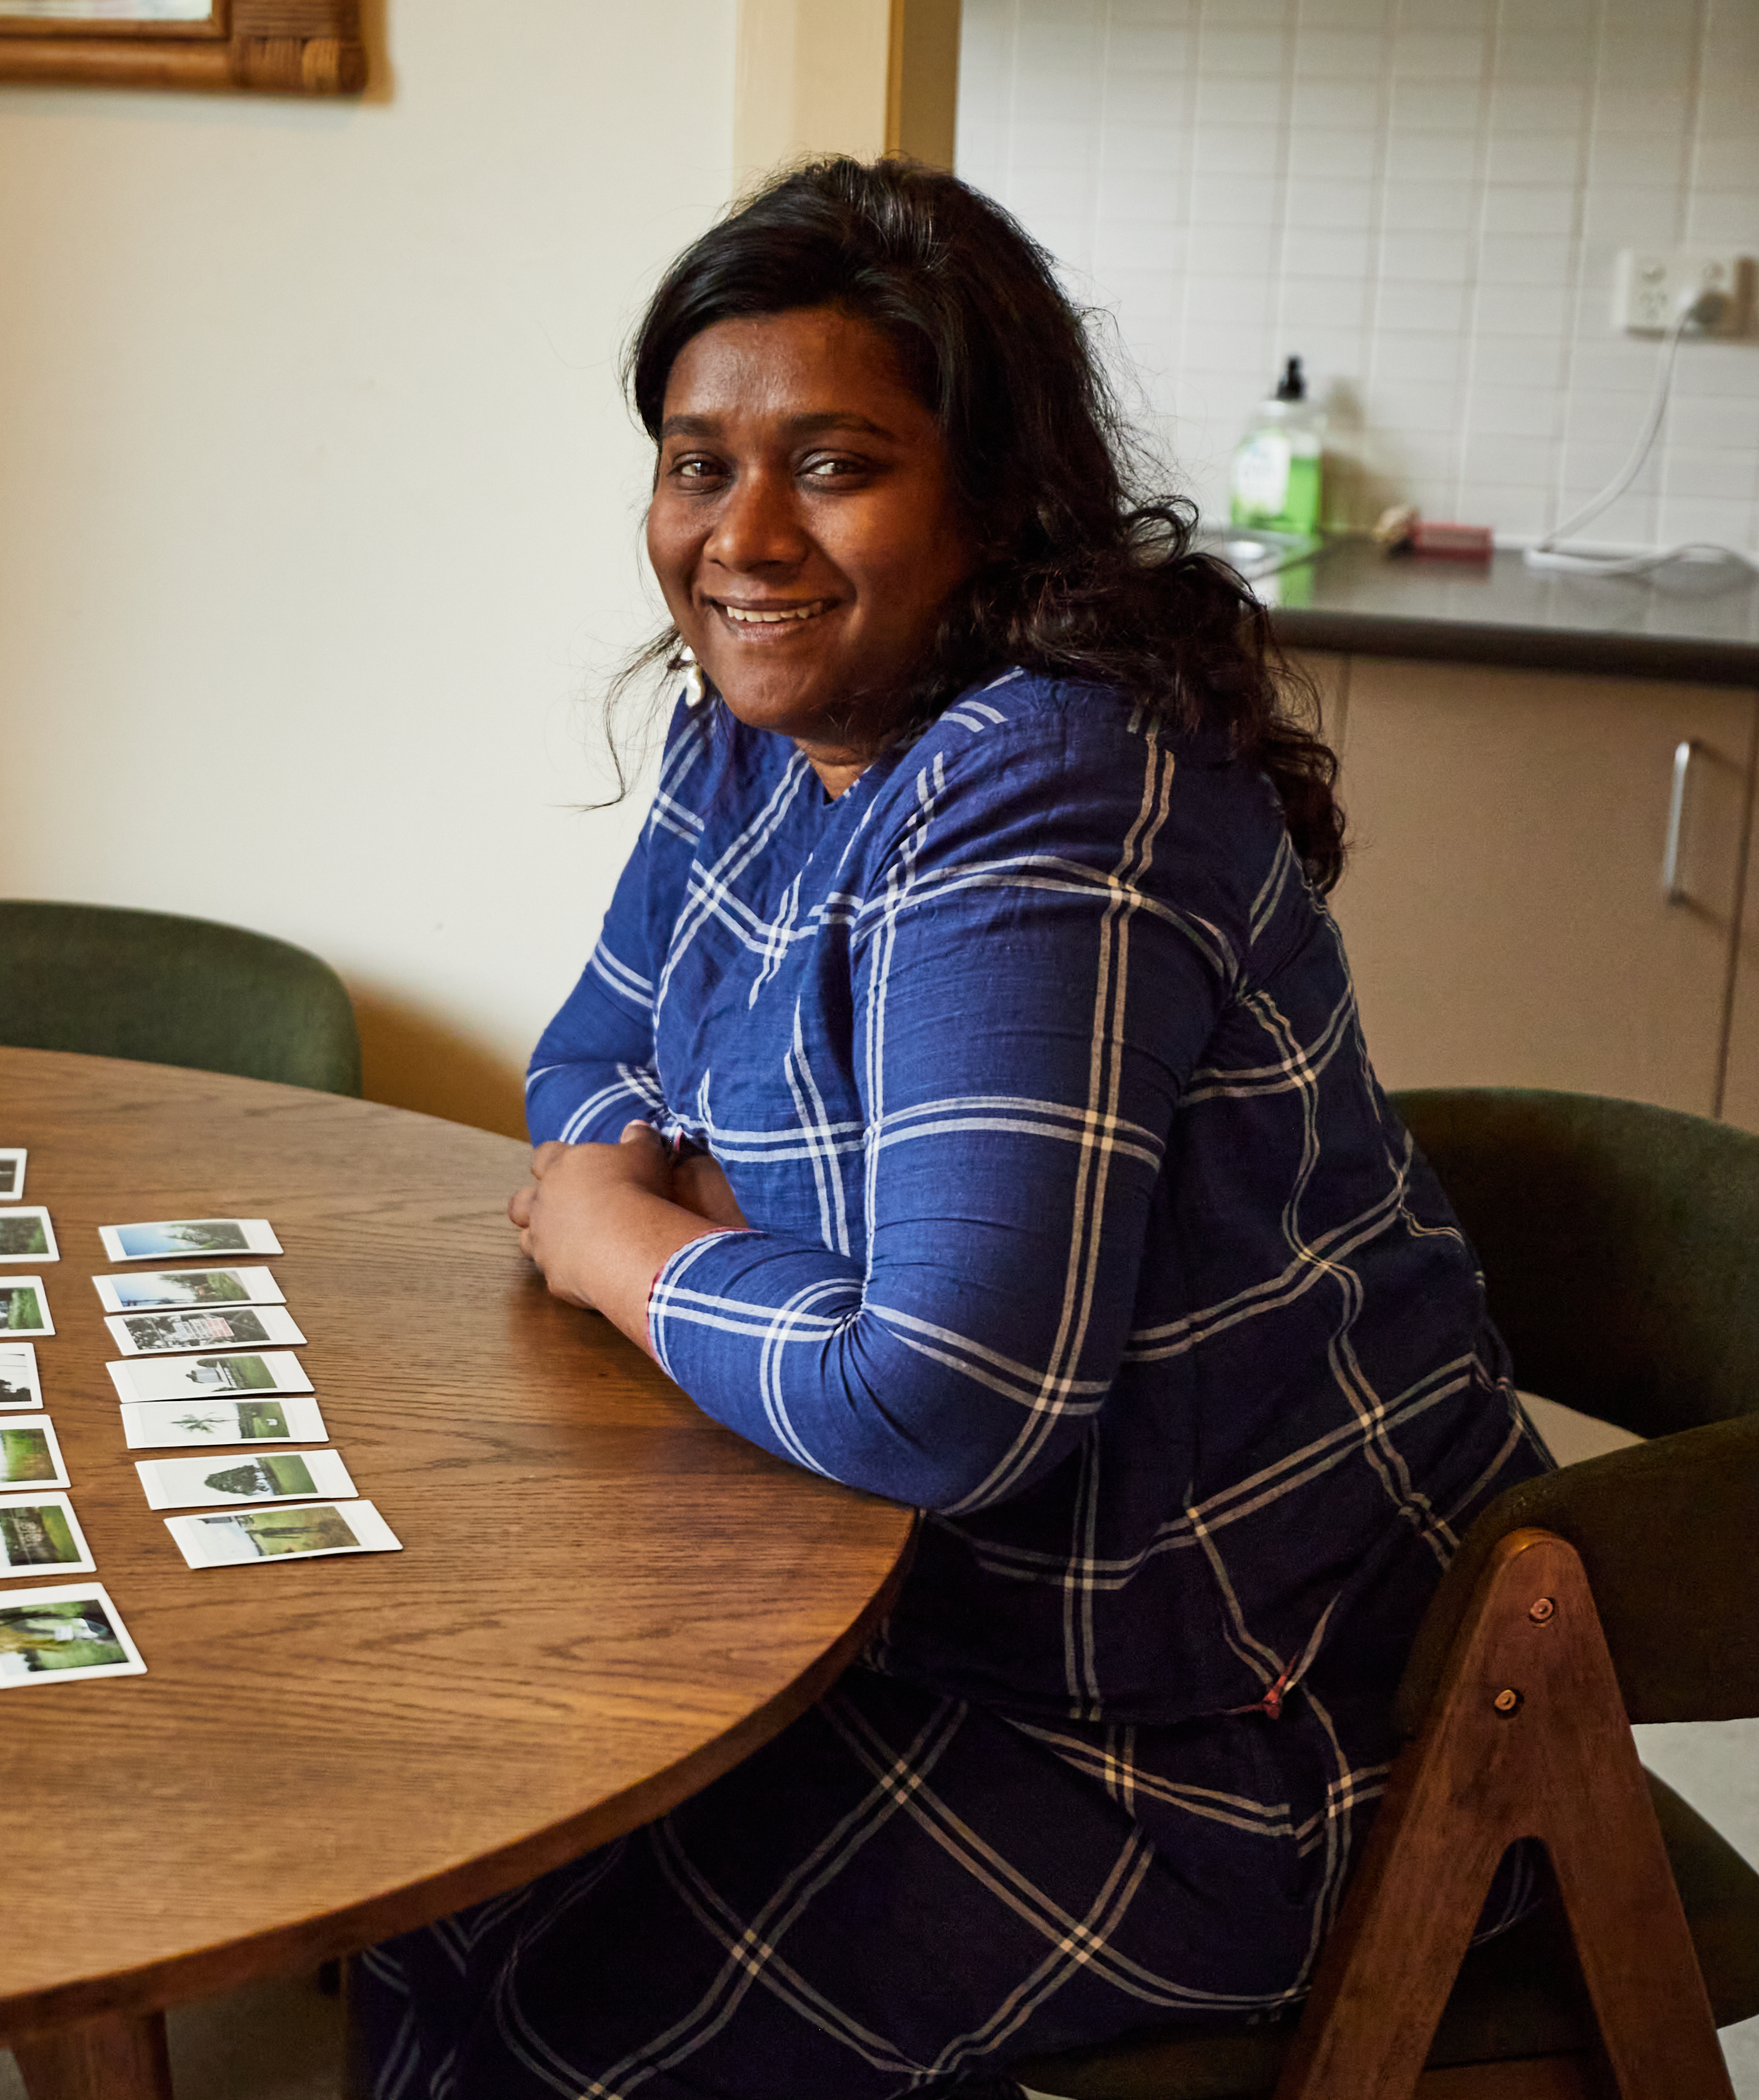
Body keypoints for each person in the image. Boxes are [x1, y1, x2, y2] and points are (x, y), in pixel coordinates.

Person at [348, 156, 1548, 2100]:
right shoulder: (753, 716)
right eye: (693, 461)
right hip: (884, 1607)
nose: (739, 538)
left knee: (539, 2014)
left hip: (1211, 1732)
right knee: (420, 1868)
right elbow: (586, 1062)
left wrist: (619, 1245)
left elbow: (944, 1397)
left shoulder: (1046, 793)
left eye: (833, 465)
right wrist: (769, 1264)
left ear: (995, 496)